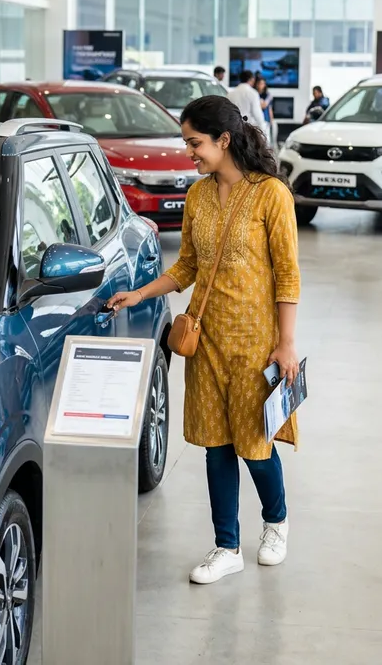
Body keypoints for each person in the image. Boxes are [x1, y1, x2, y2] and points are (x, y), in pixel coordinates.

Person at [107, 95, 300, 585]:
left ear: (224, 140)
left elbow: (287, 275)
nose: (189, 152)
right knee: (216, 445)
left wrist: (287, 342)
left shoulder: (270, 195)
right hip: (206, 339)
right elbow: (188, 266)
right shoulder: (197, 196)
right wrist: (141, 293)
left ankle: (275, 524)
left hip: (256, 342)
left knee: (255, 445)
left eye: (195, 143)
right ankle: (226, 545)